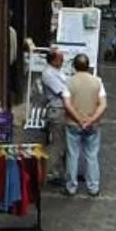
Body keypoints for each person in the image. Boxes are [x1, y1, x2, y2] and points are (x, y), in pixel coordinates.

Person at [62, 53, 106, 197]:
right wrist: (91, 119)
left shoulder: (69, 82)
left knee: (72, 155)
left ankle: (71, 186)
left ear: (74, 66)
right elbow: (103, 104)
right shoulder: (97, 82)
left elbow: (67, 104)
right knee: (92, 155)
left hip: (73, 123)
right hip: (93, 125)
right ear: (88, 66)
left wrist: (79, 120)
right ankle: (93, 186)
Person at [40, 46, 72, 185]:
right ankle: (44, 172)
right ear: (53, 60)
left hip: (63, 109)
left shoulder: (58, 71)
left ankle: (61, 172)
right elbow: (63, 91)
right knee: (57, 145)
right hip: (57, 110)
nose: (63, 61)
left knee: (63, 144)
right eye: (60, 59)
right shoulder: (48, 74)